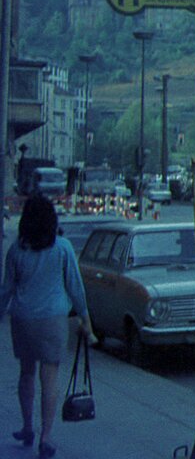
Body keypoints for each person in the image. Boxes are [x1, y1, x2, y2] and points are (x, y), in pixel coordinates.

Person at [0, 196, 93, 459]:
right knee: (49, 380)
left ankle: (27, 427)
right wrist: (86, 322)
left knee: (26, 374)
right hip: (52, 320)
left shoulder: (16, 250)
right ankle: (46, 436)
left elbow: (7, 288)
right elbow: (75, 288)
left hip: (23, 319)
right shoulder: (62, 248)